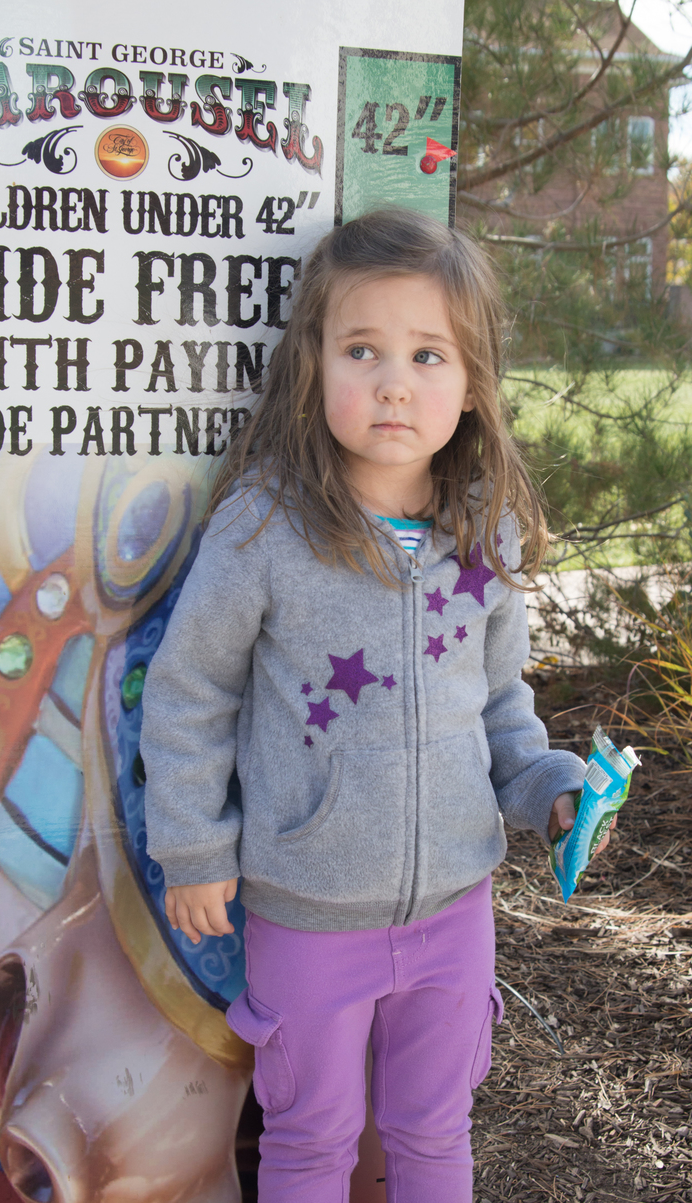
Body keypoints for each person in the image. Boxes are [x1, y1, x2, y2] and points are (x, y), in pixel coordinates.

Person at [140, 209, 605, 1203]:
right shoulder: (266, 525)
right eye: (362, 350)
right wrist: (192, 845)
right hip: (305, 910)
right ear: (314, 365)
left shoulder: (484, 534)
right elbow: (191, 689)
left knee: (433, 1130)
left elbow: (498, 703)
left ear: (472, 383)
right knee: (310, 1137)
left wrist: (550, 789)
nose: (394, 382)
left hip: (455, 911)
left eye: (428, 354)